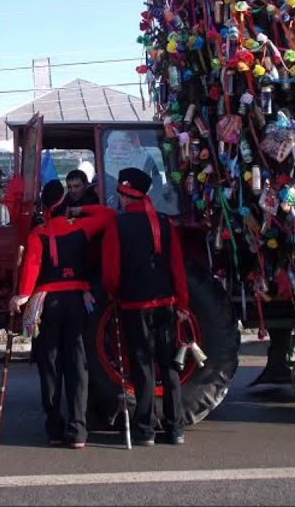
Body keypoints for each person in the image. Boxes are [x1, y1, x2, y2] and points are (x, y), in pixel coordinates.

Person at [10, 181, 115, 449]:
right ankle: (78, 430)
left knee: (50, 366)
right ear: (64, 204)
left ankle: (55, 428)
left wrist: (20, 298)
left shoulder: (38, 234)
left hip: (49, 303)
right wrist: (78, 211)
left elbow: (30, 273)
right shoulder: (80, 227)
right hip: (77, 301)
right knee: (77, 366)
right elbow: (107, 214)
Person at [102, 167, 190, 446]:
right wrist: (183, 303)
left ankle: (145, 429)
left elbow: (111, 273)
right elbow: (177, 268)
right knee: (168, 365)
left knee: (143, 367)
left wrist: (114, 293)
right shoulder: (165, 224)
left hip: (134, 305)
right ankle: (175, 428)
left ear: (126, 196)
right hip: (166, 304)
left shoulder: (118, 225)